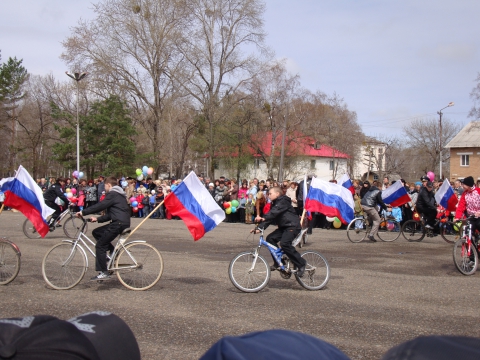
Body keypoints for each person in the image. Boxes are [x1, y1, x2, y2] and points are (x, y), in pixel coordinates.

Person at [77, 176, 130, 281]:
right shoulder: (120, 195)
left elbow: (101, 205)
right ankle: (112, 252)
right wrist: (97, 219)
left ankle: (104, 272)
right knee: (97, 232)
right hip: (121, 222)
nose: (104, 188)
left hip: (118, 223)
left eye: (105, 186)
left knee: (100, 246)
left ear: (109, 185)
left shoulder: (113, 194)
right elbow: (111, 214)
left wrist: (83, 212)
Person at [251, 186, 307, 277]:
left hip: (292, 226)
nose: (268, 195)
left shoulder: (283, 201)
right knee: (270, 239)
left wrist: (263, 217)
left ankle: (301, 263)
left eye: (270, 194)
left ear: (277, 194)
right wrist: (259, 228)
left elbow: (273, 212)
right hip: (284, 227)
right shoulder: (275, 203)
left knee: (284, 244)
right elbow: (271, 217)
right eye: (268, 194)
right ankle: (279, 262)